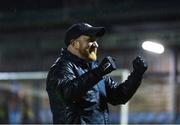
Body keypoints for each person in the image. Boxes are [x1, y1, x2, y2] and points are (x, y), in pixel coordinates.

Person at [46, 22, 148, 124]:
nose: (96, 44)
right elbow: (66, 93)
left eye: (95, 40)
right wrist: (99, 72)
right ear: (74, 44)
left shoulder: (93, 68)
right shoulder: (61, 68)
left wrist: (137, 75)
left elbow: (118, 96)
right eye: (90, 40)